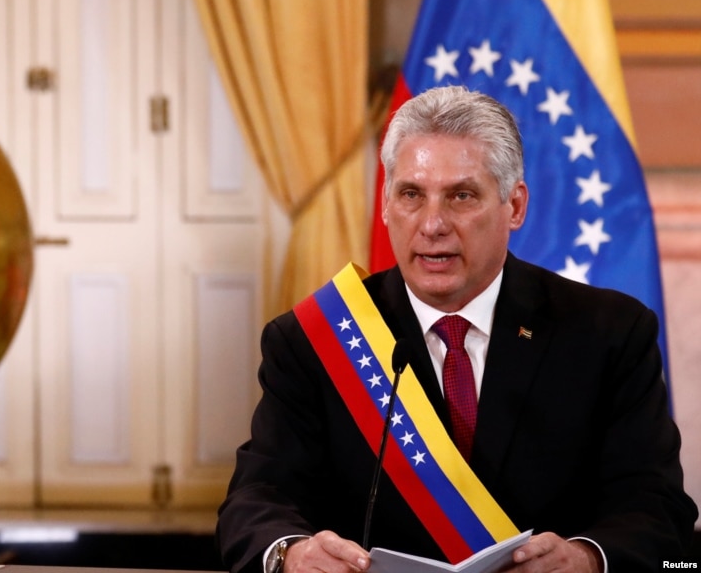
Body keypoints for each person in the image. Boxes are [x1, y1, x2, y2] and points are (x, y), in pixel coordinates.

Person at [216, 86, 697, 573]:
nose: (432, 224)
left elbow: (658, 508)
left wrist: (589, 558)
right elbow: (256, 501)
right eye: (411, 195)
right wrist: (291, 551)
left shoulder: (608, 333)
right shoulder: (312, 341)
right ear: (385, 205)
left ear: (515, 206)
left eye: (461, 196)